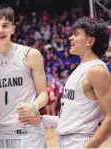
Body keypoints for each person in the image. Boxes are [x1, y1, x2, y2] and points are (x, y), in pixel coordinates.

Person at [19, 17, 111, 148]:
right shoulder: (80, 69)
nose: (70, 38)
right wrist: (41, 119)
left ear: (90, 41)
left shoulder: (96, 70)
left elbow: (110, 118)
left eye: (76, 34)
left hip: (79, 143)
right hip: (67, 141)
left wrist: (86, 148)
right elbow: (70, 120)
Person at [0, 5, 48, 148]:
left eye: (5, 26)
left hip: (29, 133)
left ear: (13, 29)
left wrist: (33, 106)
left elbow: (44, 94)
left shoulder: (31, 54)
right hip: (1, 134)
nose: (0, 30)